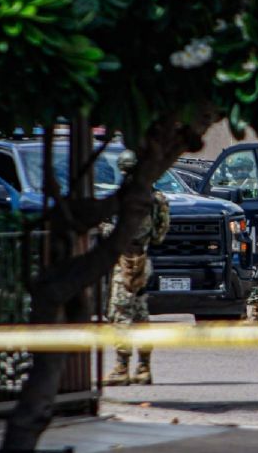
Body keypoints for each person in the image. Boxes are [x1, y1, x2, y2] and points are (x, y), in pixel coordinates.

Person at [103, 150, 170, 386]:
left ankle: (122, 367)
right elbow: (159, 235)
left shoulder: (131, 198)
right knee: (141, 313)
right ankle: (143, 366)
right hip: (143, 257)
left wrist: (104, 229)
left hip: (127, 260)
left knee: (120, 313)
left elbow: (122, 231)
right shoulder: (155, 198)